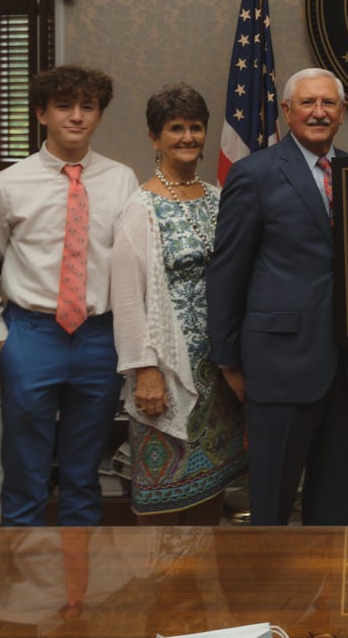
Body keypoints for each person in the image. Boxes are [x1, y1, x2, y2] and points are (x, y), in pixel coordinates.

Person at [206, 67, 348, 526]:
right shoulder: (253, 174)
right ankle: (265, 596)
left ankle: (330, 595)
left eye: (328, 104)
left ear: (342, 113)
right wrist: (229, 360)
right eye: (308, 103)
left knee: (335, 507)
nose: (318, 112)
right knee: (272, 503)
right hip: (278, 361)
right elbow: (226, 271)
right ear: (287, 112)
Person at [0, 66, 138, 526]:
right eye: (64, 106)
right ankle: (23, 588)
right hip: (31, 337)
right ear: (41, 114)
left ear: (98, 116)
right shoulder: (8, 184)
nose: (76, 117)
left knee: (83, 470)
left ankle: (78, 588)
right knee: (25, 469)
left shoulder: (121, 180)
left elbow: (132, 268)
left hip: (97, 338)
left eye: (87, 107)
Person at [110, 83, 246, 525]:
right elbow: (128, 298)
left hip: (218, 371)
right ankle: (164, 591)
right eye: (174, 128)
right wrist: (145, 371)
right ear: (154, 138)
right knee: (165, 497)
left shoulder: (217, 198)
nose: (187, 137)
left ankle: (201, 581)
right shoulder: (140, 208)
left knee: (210, 486)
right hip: (168, 370)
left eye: (195, 127)